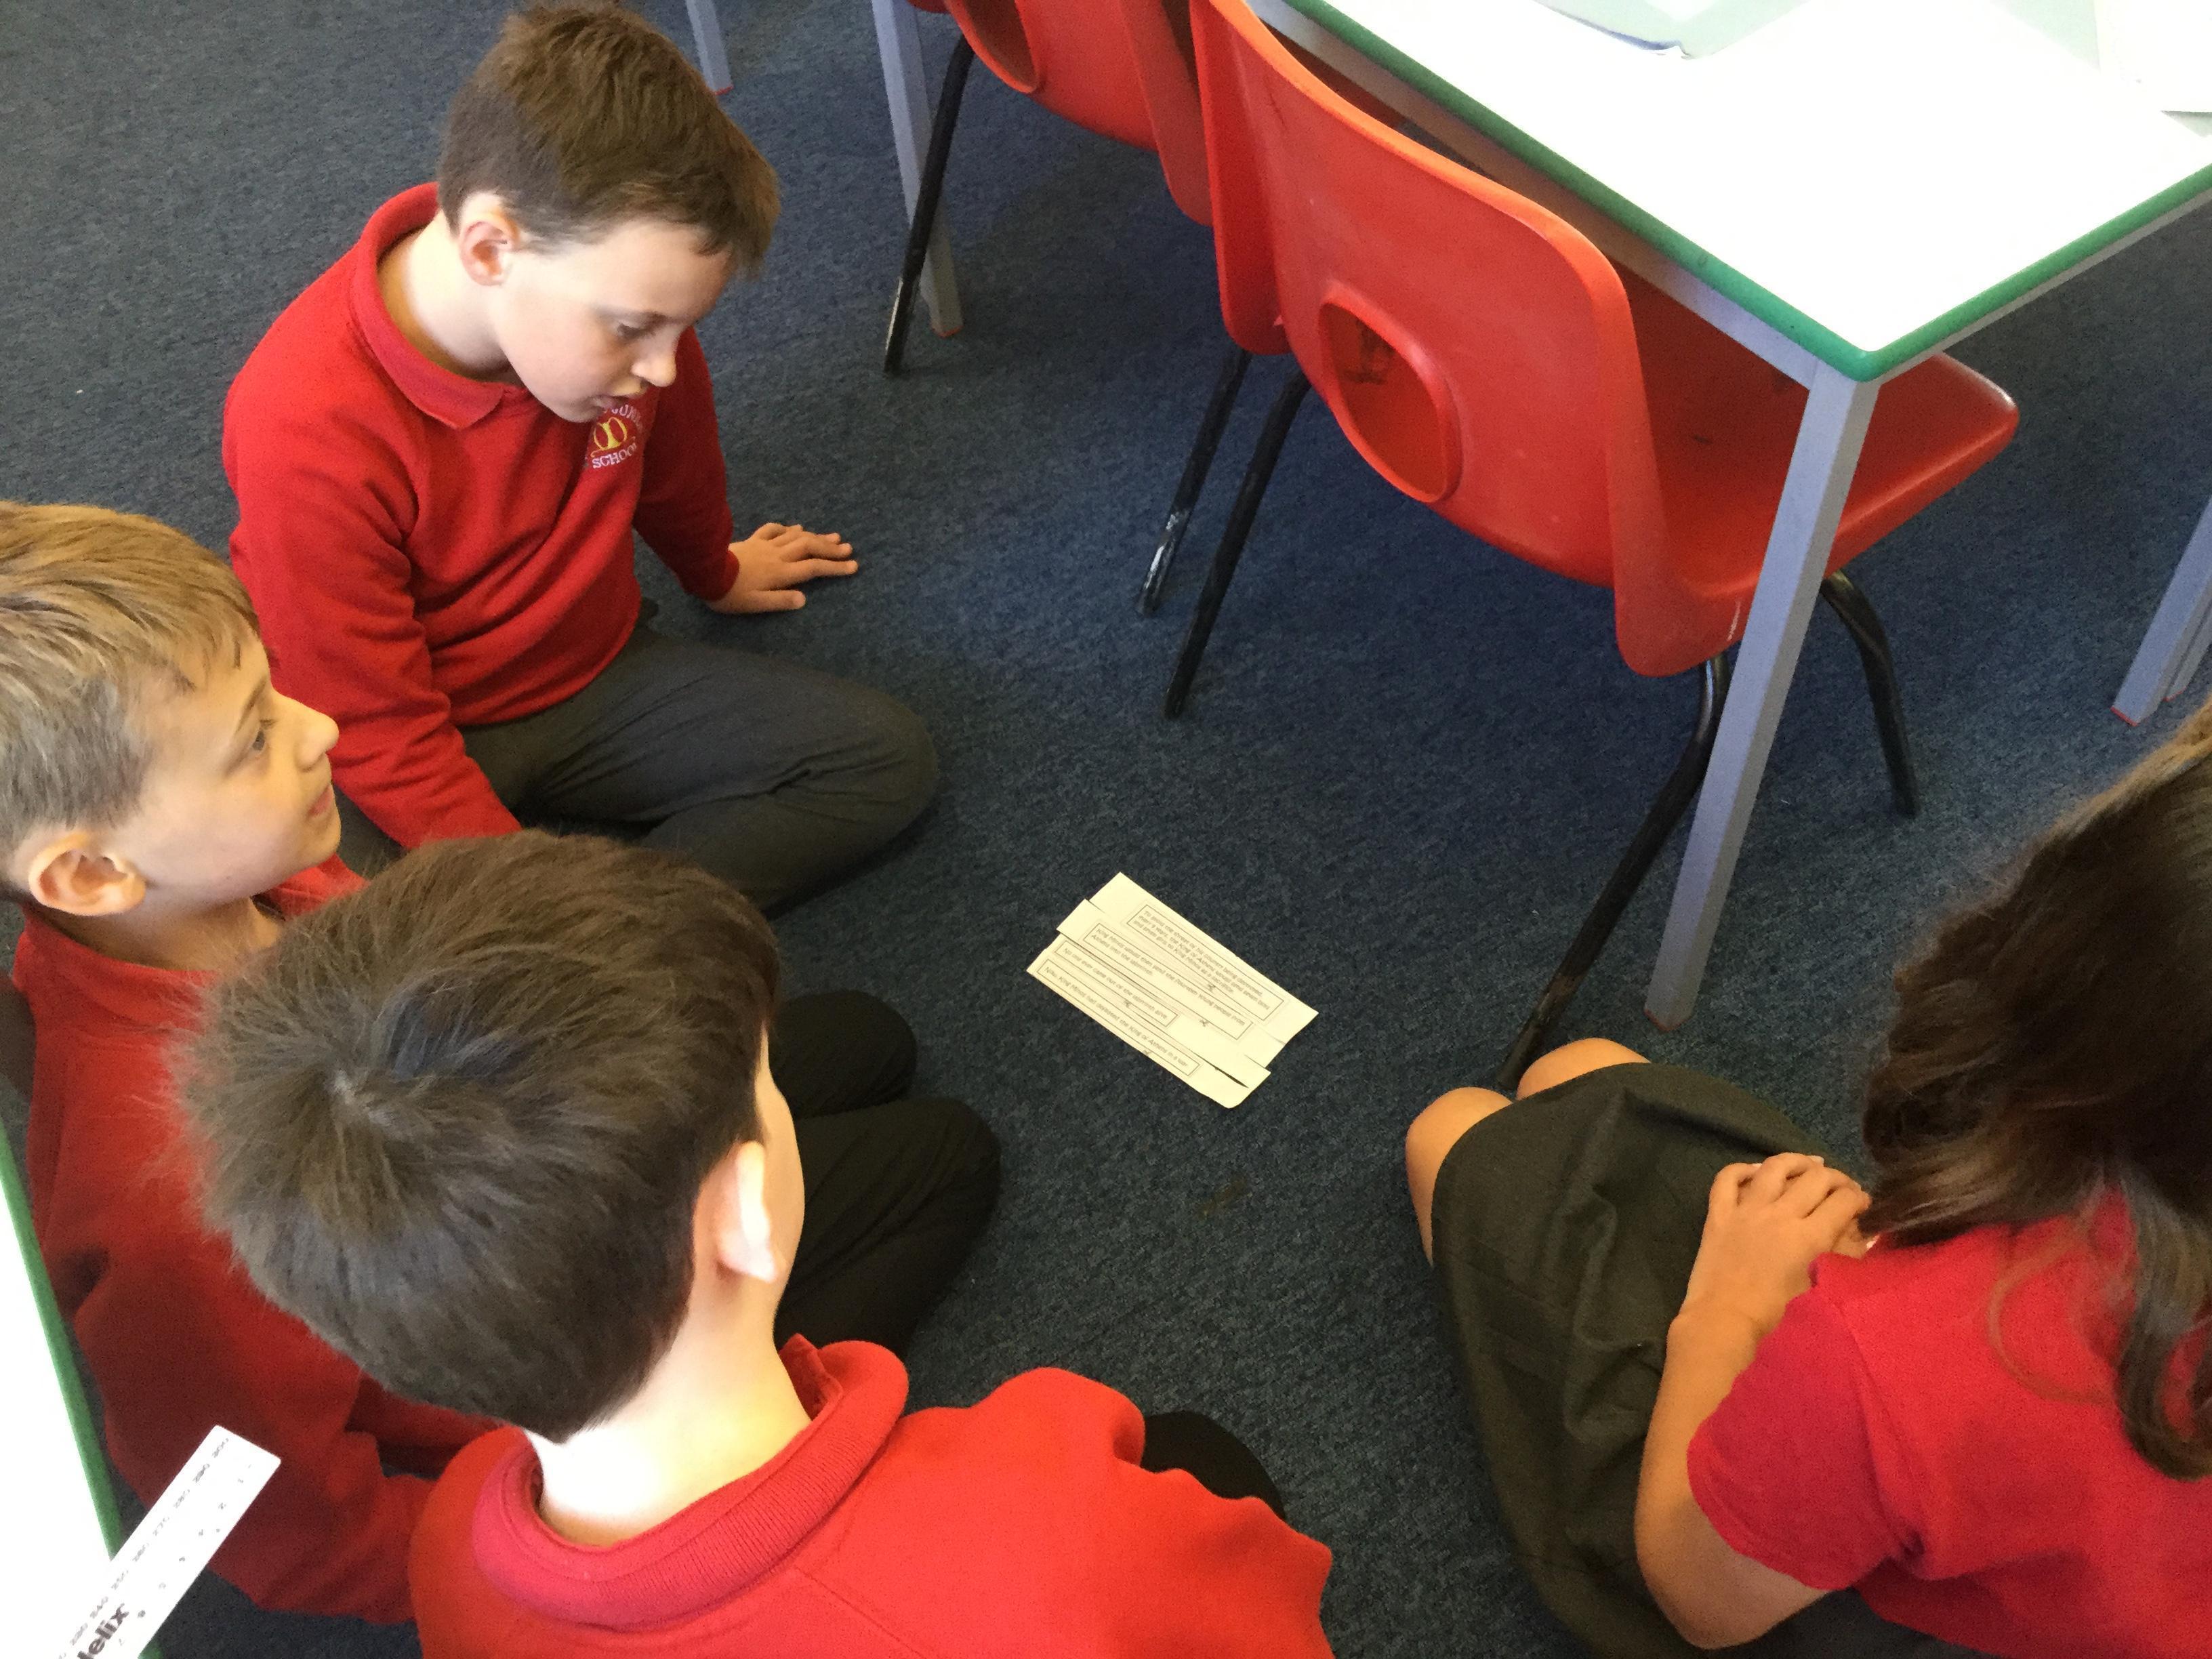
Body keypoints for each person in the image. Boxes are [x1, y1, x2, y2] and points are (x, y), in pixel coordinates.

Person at [0, 501, 996, 1623]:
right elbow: (293, 1532)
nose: (320, 727)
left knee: (867, 1038)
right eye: (254, 741)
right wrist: (536, 1570)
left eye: (276, 691)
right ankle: (744, 1454)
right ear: (90, 874)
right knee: (948, 1159)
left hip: (498, 1127)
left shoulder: (230, 888)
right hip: (564, 1352)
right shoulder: (166, 1218)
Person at [182, 830, 1338, 1658]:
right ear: (741, 1210)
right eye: (768, 1084)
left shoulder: (455, 1533)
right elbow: (1280, 1619)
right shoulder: (1050, 1517)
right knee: (1206, 1457)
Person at [1404, 710, 2212, 1659]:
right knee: (1583, 1077)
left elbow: (1699, 1594)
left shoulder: (1906, 1366)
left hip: (1794, 1579)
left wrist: (1732, 1305)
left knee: (1454, 1134)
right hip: (2054, 1571)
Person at [222, 1, 935, 909]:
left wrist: (713, 570)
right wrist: (518, 880)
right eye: (635, 328)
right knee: (326, 934)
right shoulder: (301, 425)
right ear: (491, 249)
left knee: (884, 760)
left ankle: (601, 938)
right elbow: (371, 718)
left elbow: (675, 459)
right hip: (407, 729)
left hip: (597, 674)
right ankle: (587, 938)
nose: (663, 366)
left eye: (681, 327)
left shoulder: (628, 321)